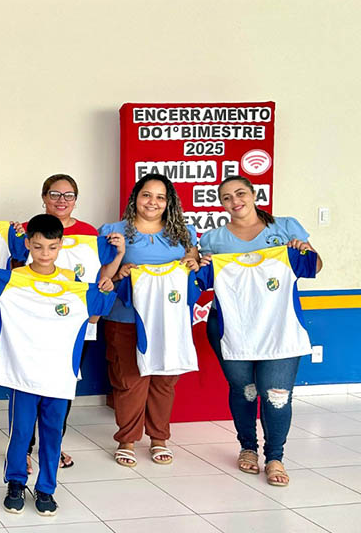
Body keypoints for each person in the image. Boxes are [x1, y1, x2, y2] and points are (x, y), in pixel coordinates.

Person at [0, 214, 116, 517]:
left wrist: (103, 292)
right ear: (28, 244)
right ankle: (15, 483)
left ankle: (46, 488)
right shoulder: (14, 278)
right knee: (20, 433)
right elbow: (3, 312)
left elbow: (91, 318)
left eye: (52, 247)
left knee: (53, 434)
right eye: (38, 246)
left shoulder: (72, 281)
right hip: (23, 373)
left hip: (59, 373)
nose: (44, 253)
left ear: (60, 245)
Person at [198, 175, 322, 486]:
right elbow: (200, 278)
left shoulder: (285, 227)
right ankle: (248, 447)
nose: (235, 201)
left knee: (277, 395)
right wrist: (197, 262)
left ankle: (275, 456)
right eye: (226, 197)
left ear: (254, 195)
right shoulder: (213, 239)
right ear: (221, 204)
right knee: (245, 390)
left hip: (280, 328)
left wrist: (306, 250)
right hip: (230, 328)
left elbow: (315, 267)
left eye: (240, 193)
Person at [19, 174, 125, 470]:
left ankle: (53, 444)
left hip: (77, 324)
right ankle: (24, 448)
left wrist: (118, 254)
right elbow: (14, 271)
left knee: (64, 386)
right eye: (54, 194)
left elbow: (102, 278)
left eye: (68, 195)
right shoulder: (26, 229)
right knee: (28, 386)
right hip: (35, 323)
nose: (61, 200)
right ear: (44, 197)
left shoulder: (90, 233)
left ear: (76, 200)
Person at [100, 174, 199, 468]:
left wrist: (193, 263)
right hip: (126, 316)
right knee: (130, 380)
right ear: (135, 198)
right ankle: (127, 440)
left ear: (169, 203)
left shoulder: (184, 233)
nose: (152, 202)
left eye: (160, 197)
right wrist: (120, 273)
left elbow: (193, 263)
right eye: (146, 195)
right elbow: (102, 276)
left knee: (165, 379)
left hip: (170, 318)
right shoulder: (114, 232)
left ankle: (159, 438)